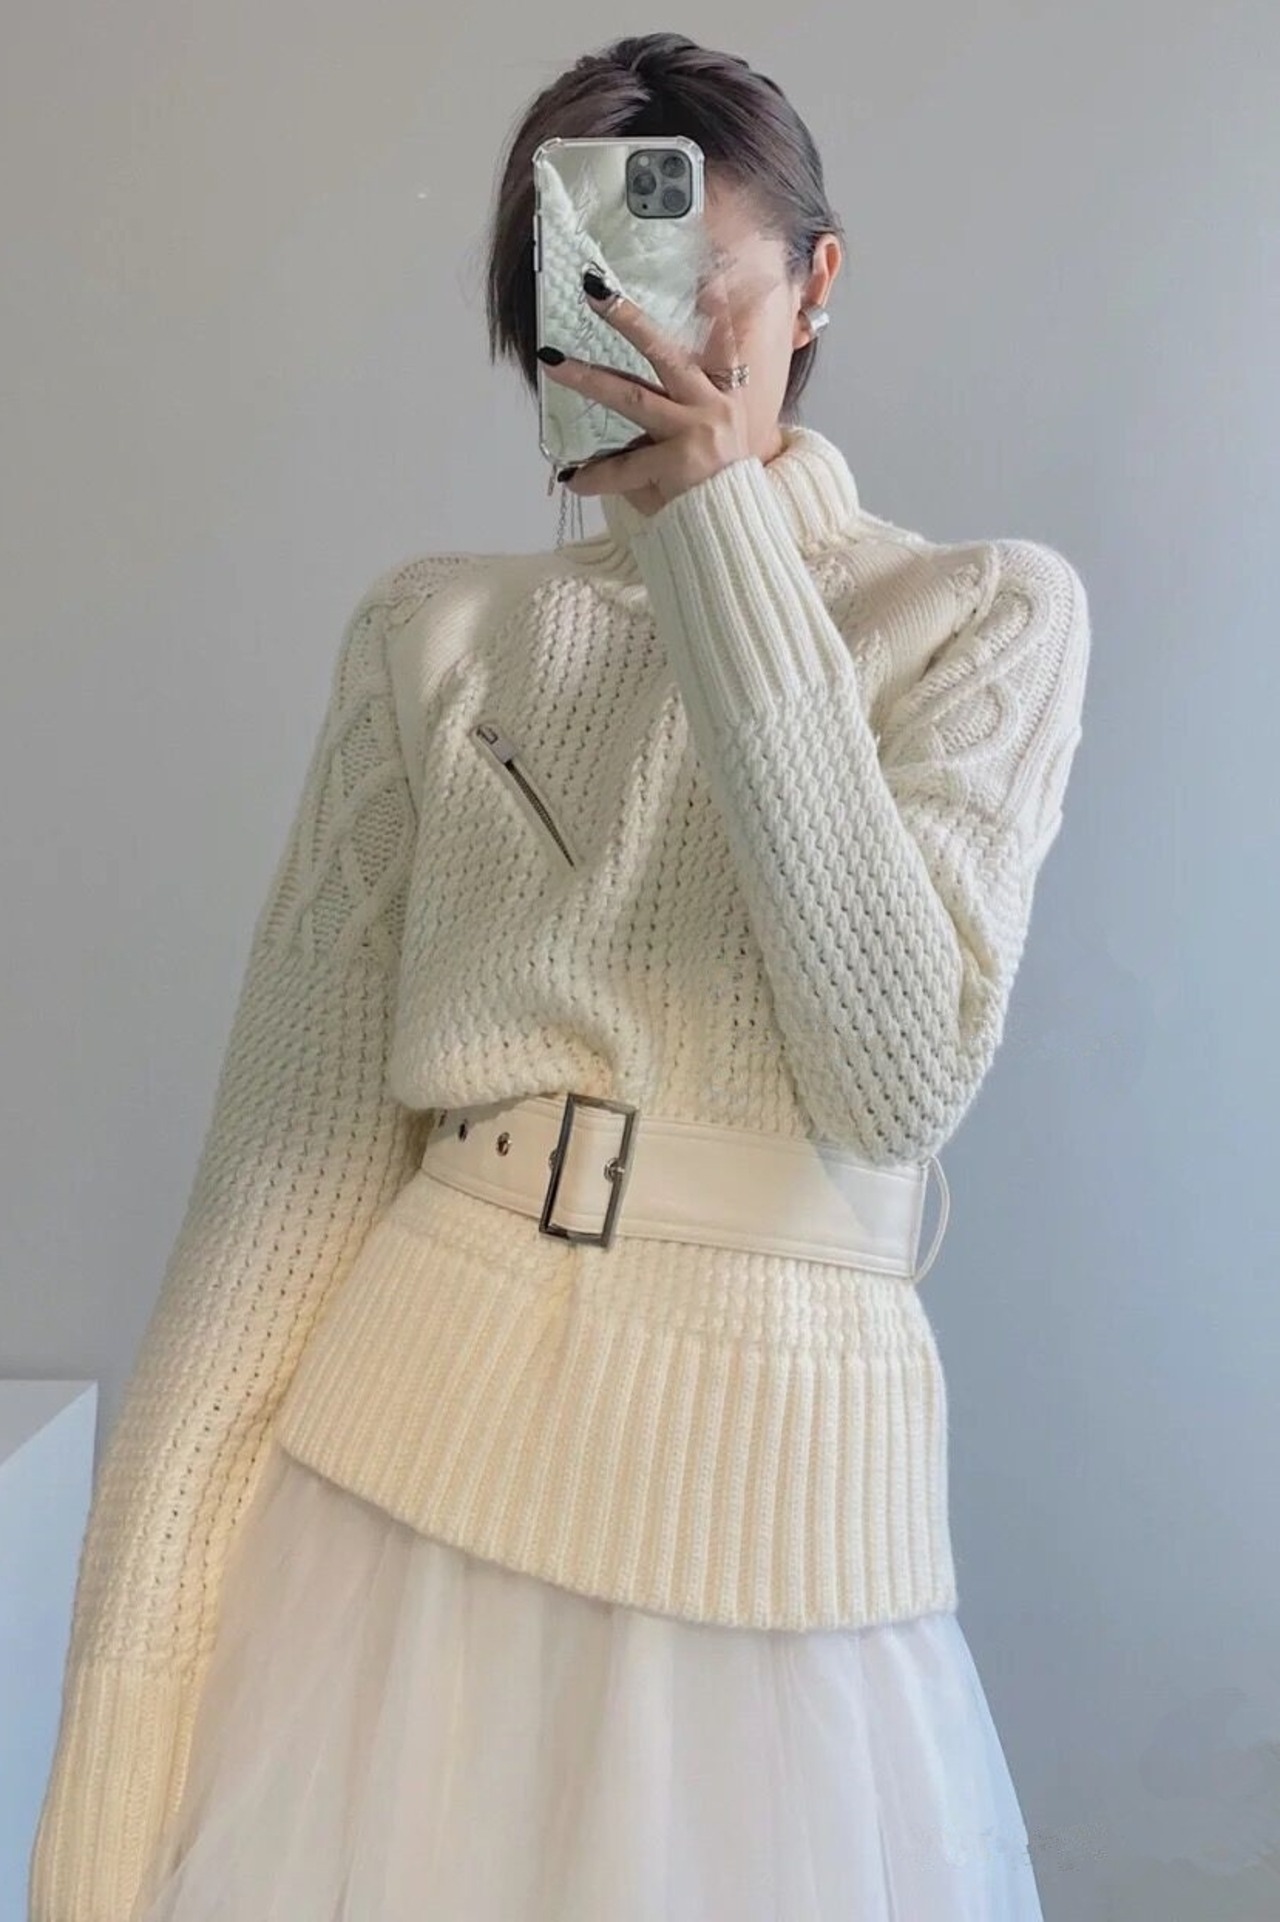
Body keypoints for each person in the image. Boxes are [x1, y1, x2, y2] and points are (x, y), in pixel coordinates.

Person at [29, 30, 1091, 1922]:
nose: (640, 331)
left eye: (694, 279)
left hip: (781, 1545)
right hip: (387, 1526)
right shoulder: (436, 636)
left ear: (818, 285)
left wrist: (720, 538)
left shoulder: (981, 613)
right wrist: (100, 1817)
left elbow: (895, 1068)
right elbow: (270, 1205)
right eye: (591, 279)